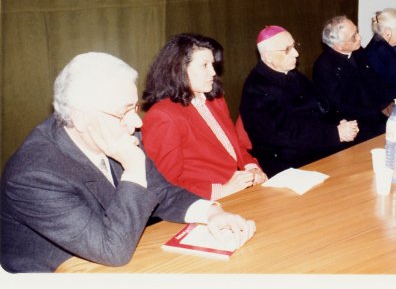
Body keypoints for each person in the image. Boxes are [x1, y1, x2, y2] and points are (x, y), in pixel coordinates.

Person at [0, 52, 255, 273]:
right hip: (50, 273)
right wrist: (133, 169)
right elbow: (112, 250)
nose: (137, 123)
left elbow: (162, 192)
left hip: (108, 253)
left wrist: (212, 213)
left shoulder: (117, 133)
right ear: (80, 118)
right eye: (124, 112)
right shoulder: (34, 175)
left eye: (135, 108)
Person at [141, 34, 267, 202]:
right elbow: (164, 183)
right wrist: (221, 190)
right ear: (180, 69)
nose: (213, 72)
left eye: (213, 65)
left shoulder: (215, 99)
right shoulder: (163, 116)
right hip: (205, 203)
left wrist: (251, 168)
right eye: (205, 65)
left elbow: (234, 147)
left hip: (240, 192)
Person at [239, 25, 359, 177]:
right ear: (268, 57)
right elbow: (284, 135)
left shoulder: (292, 73)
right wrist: (334, 134)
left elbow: (321, 104)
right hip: (290, 163)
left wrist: (338, 122)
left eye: (294, 46)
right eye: (287, 49)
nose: (296, 53)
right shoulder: (255, 89)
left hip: (317, 147)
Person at [313, 16, 396, 142]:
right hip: (354, 127)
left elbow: (375, 81)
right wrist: (378, 111)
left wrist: (388, 102)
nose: (359, 38)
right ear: (338, 45)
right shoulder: (324, 67)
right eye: (353, 37)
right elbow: (339, 106)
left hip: (376, 117)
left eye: (357, 32)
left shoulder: (358, 51)